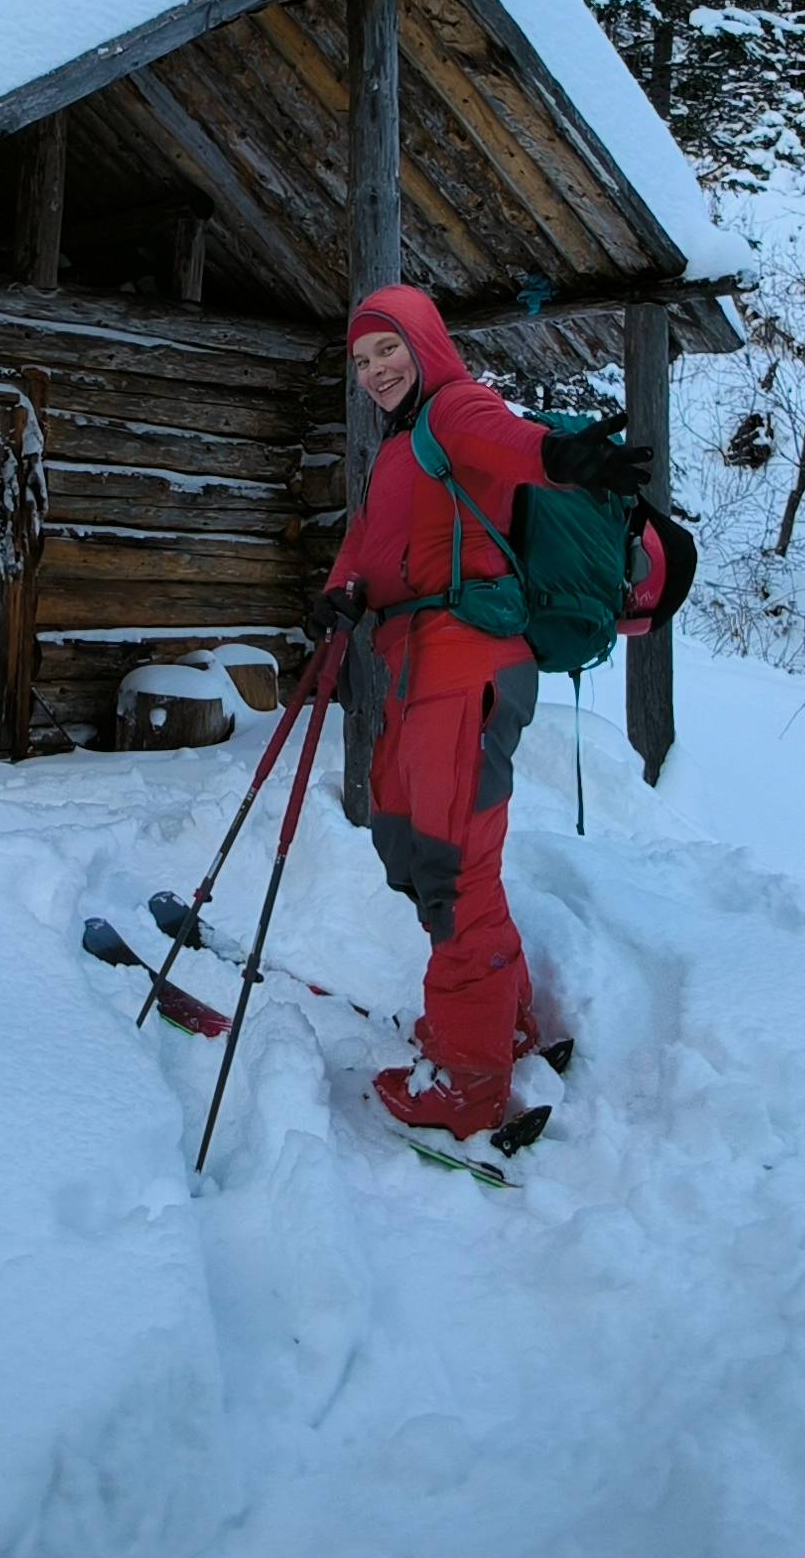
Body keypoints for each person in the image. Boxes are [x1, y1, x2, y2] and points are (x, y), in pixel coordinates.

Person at [309, 284, 648, 1138]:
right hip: (418, 668)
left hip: (465, 665)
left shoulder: (455, 406)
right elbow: (371, 544)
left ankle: (464, 1083)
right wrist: (339, 594)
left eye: (388, 349)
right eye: (361, 361)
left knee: (450, 865)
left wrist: (562, 461)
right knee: (412, 842)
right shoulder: (398, 450)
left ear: (424, 344)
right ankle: (502, 1021)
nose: (376, 370)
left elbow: (507, 442)